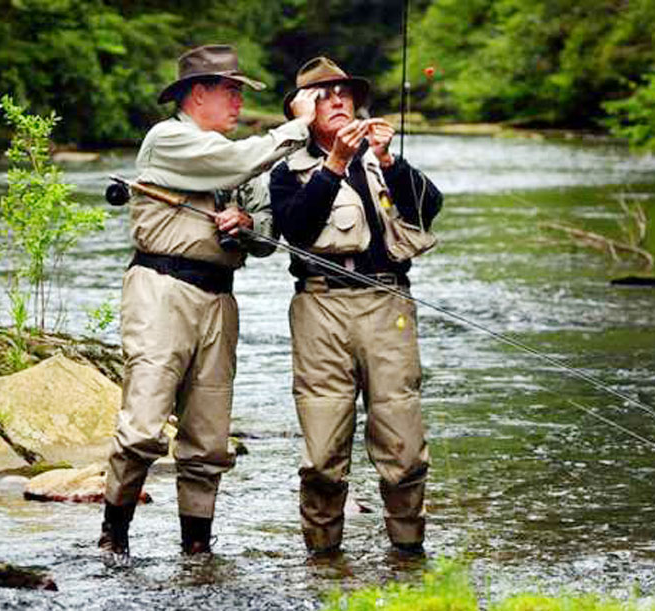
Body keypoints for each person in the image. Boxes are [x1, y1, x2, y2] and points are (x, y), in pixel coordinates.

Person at [100, 44, 319, 559]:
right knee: (143, 428)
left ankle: (197, 549)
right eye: (232, 91)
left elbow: (266, 237)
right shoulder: (169, 139)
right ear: (198, 94)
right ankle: (115, 537)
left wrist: (245, 227)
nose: (240, 101)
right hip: (161, 291)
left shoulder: (236, 156)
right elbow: (236, 163)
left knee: (208, 439)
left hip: (219, 299)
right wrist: (299, 127)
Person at [269, 57, 443, 558]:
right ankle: (323, 564)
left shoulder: (380, 159)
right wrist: (335, 166)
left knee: (403, 447)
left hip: (388, 304)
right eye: (324, 96)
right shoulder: (287, 171)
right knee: (323, 455)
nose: (339, 101)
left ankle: (409, 560)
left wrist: (391, 163)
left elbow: (428, 207)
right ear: (303, 111)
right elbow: (296, 229)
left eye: (345, 93)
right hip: (319, 308)